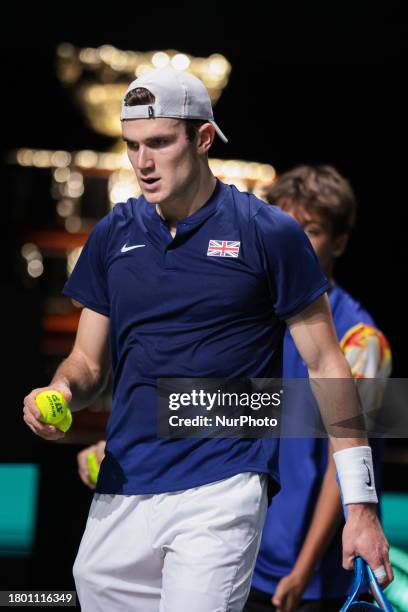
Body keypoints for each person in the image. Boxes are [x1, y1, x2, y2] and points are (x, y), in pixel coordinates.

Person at [23, 68, 392, 612]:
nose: (143, 162)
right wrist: (58, 393)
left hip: (222, 492)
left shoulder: (269, 234)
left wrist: (361, 507)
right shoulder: (112, 235)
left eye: (159, 143)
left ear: (202, 138)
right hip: (122, 489)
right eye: (132, 146)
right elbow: (85, 363)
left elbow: (327, 369)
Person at [245, 165, 392, 612]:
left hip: (314, 578)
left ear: (340, 242)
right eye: (286, 227)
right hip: (236, 552)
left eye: (311, 230)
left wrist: (303, 569)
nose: (294, 241)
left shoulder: (361, 341)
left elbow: (342, 464)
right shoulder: (251, 317)